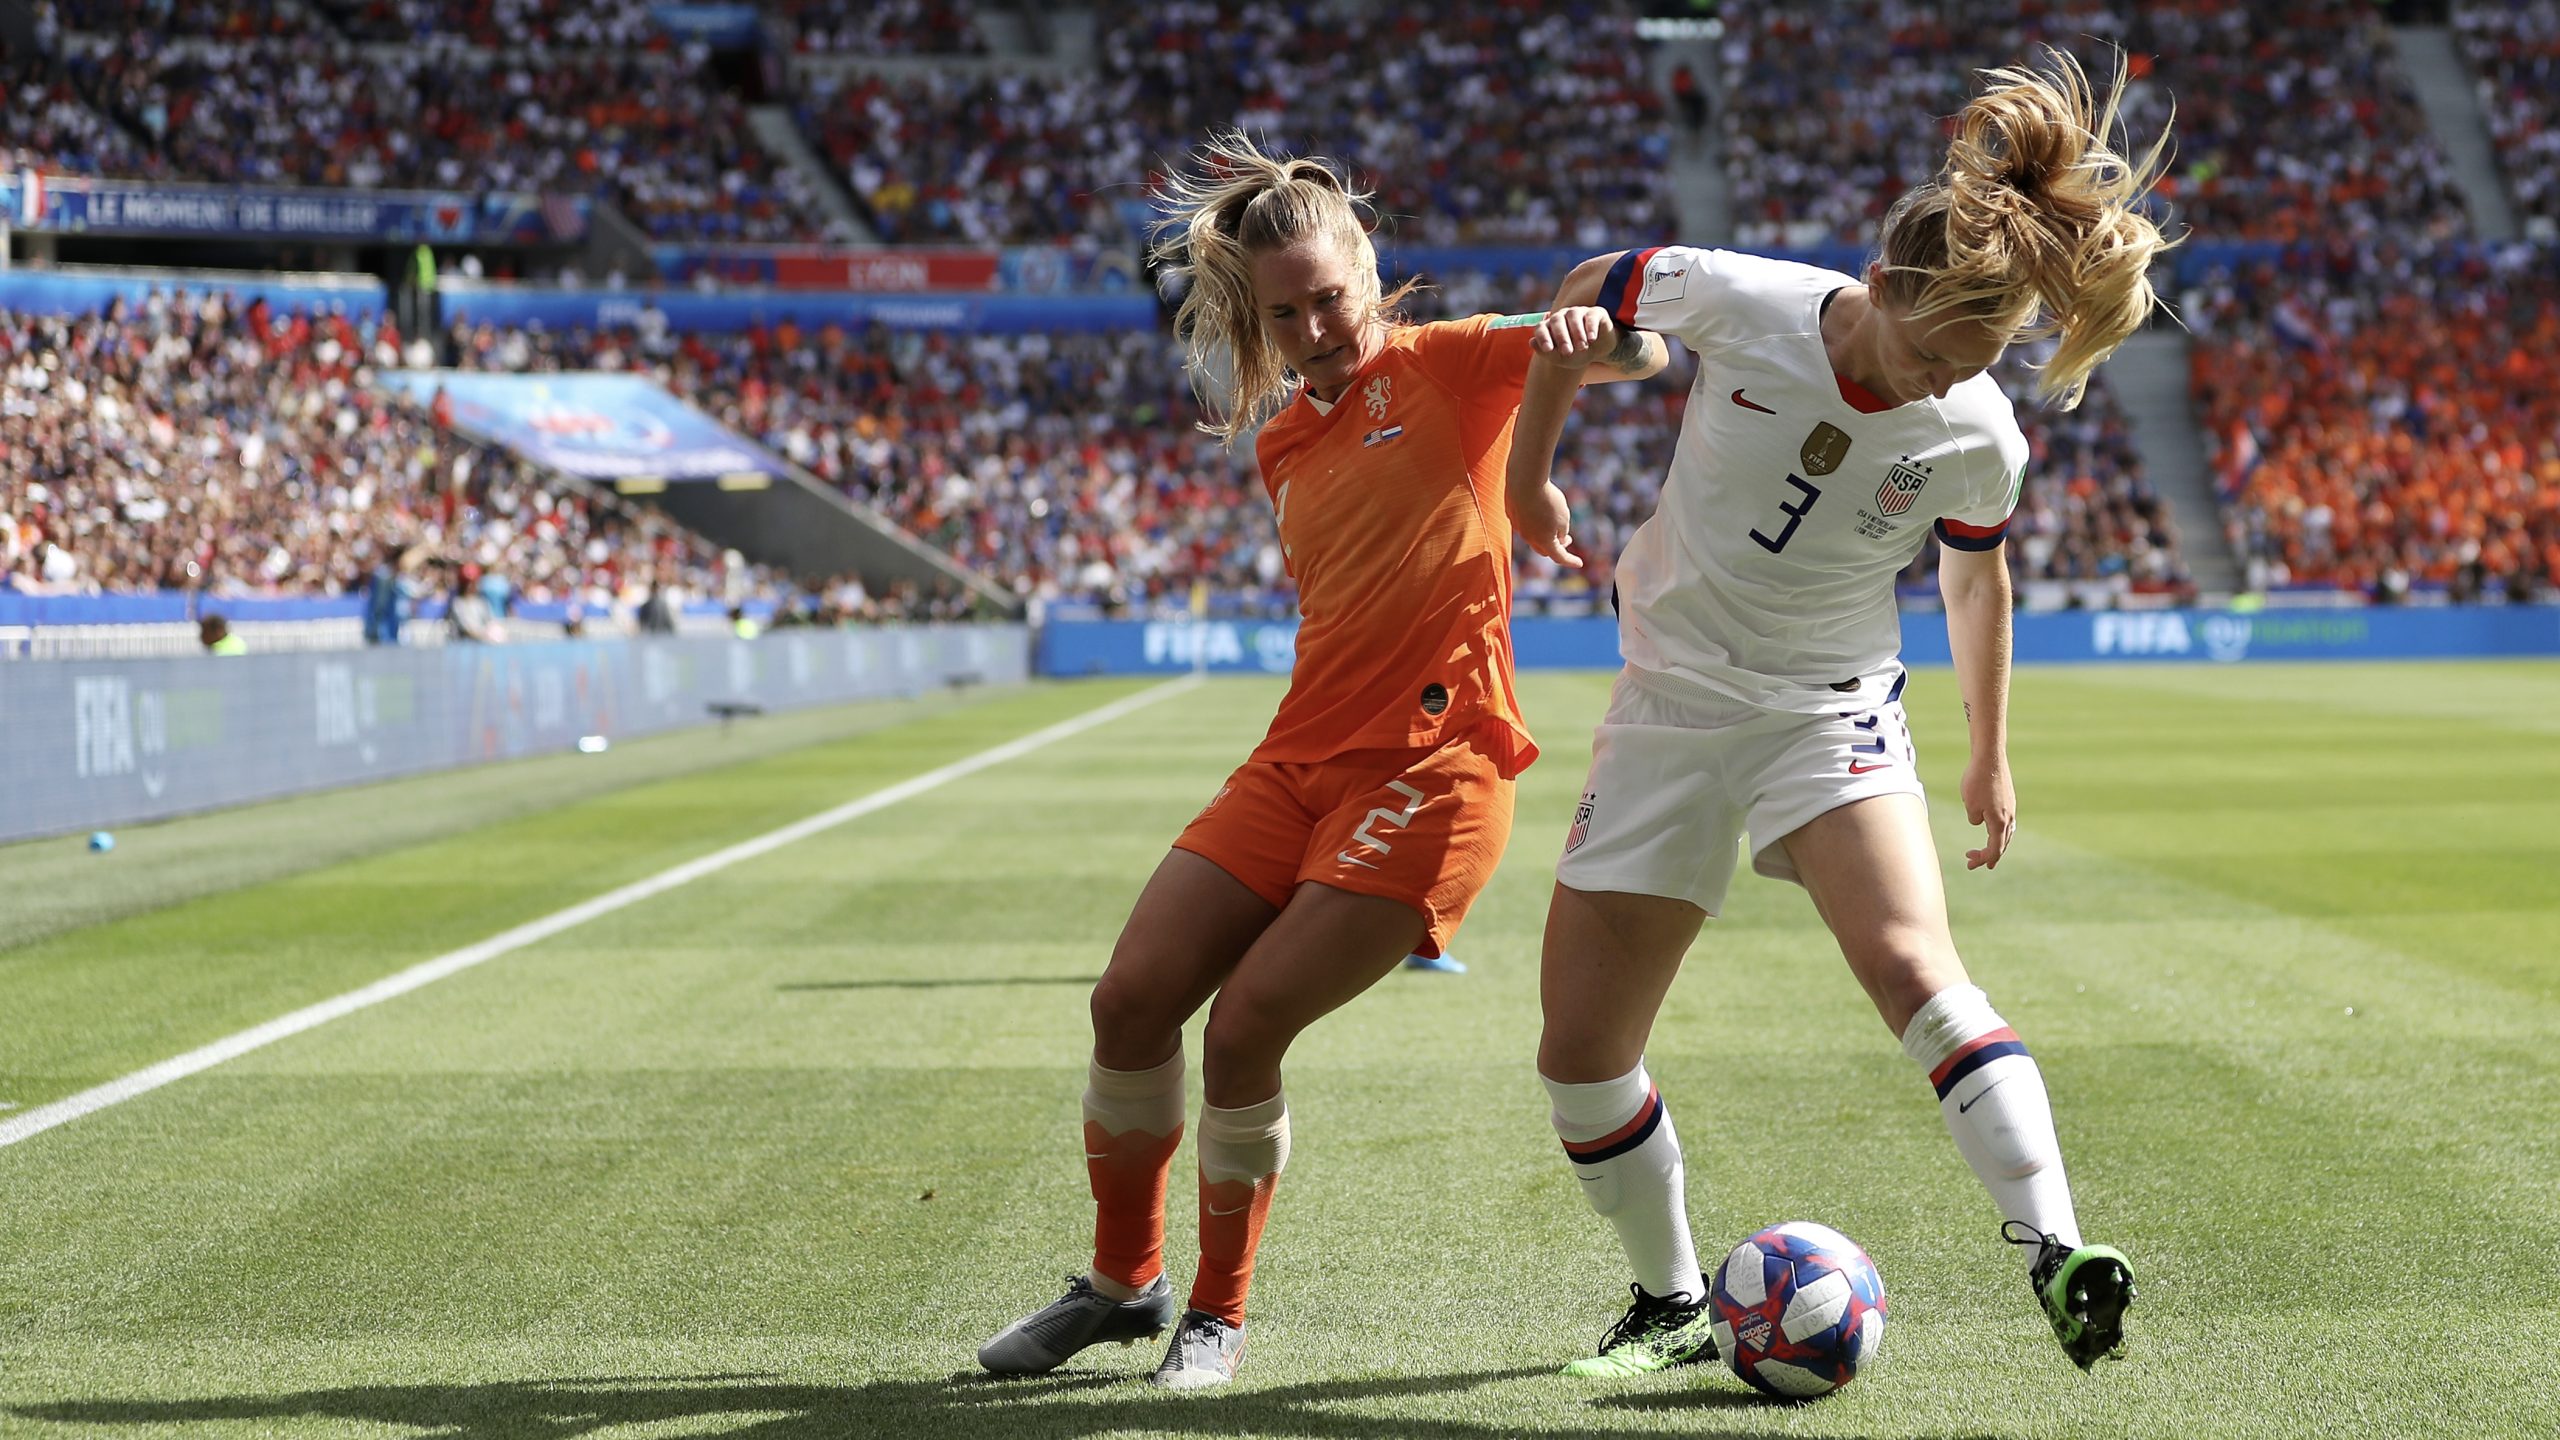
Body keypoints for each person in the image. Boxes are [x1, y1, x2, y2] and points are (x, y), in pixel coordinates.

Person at [1508, 52, 2170, 1379]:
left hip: (1830, 709)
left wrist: (1988, 755)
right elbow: (1591, 296)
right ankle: (1671, 1304)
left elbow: (1974, 580)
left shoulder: (1981, 432)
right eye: (1927, 353)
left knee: (1917, 971)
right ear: (1874, 288)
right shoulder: (1744, 299)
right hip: (1669, 704)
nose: (1939, 385)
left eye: (1971, 364)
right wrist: (1530, 475)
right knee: (1580, 1055)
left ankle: (2057, 1250)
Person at [976, 131, 1667, 1390]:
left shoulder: (1448, 360)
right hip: (1296, 762)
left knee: (1243, 1031)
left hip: (1433, 769)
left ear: (1371, 275)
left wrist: (1592, 341)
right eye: (1282, 314)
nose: (1311, 330)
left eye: (1330, 300)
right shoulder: (1280, 443)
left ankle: (1216, 1317)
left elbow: (1641, 350)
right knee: (1128, 1004)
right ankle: (1123, 1286)